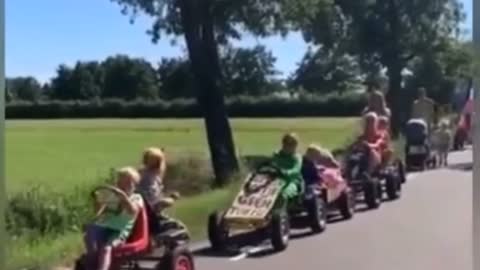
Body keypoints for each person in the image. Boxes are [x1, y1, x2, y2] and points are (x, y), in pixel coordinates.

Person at [84, 167, 144, 270]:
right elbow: (99, 212)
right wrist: (97, 202)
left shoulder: (137, 198)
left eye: (128, 183)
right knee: (90, 231)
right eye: (121, 182)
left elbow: (132, 211)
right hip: (105, 227)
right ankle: (92, 260)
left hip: (119, 231)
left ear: (134, 185)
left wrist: (123, 196)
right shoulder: (112, 197)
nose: (124, 186)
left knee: (106, 249)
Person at [137, 147, 187, 236]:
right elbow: (154, 202)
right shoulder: (151, 179)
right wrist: (171, 199)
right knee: (180, 227)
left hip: (141, 211)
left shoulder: (140, 174)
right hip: (152, 214)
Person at [272, 133, 303, 201]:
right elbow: (272, 164)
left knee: (283, 194)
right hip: (276, 179)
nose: (288, 146)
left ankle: (282, 210)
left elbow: (296, 170)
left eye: (291, 144)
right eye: (286, 143)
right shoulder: (277, 155)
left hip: (291, 181)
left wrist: (286, 172)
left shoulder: (297, 157)